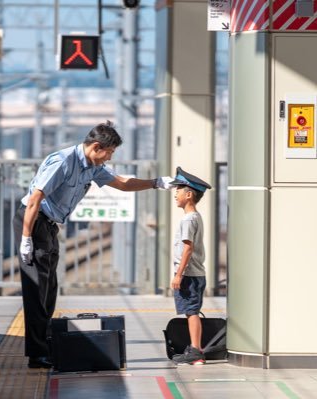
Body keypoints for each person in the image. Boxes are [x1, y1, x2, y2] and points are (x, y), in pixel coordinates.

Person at [13, 120, 172, 369]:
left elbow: (122, 183)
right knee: (36, 290)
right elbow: (35, 199)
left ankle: (45, 345)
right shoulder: (64, 162)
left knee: (49, 290)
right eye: (109, 152)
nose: (109, 158)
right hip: (33, 221)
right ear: (96, 147)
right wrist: (26, 239)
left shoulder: (93, 166)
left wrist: (157, 182)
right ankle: (37, 353)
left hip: (49, 225)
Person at [169, 167, 211, 365]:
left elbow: (187, 249)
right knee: (191, 310)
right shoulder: (196, 217)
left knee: (192, 312)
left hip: (189, 274)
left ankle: (196, 350)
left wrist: (179, 275)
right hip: (194, 273)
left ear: (188, 194)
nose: (175, 194)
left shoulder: (188, 219)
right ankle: (195, 351)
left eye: (178, 190)